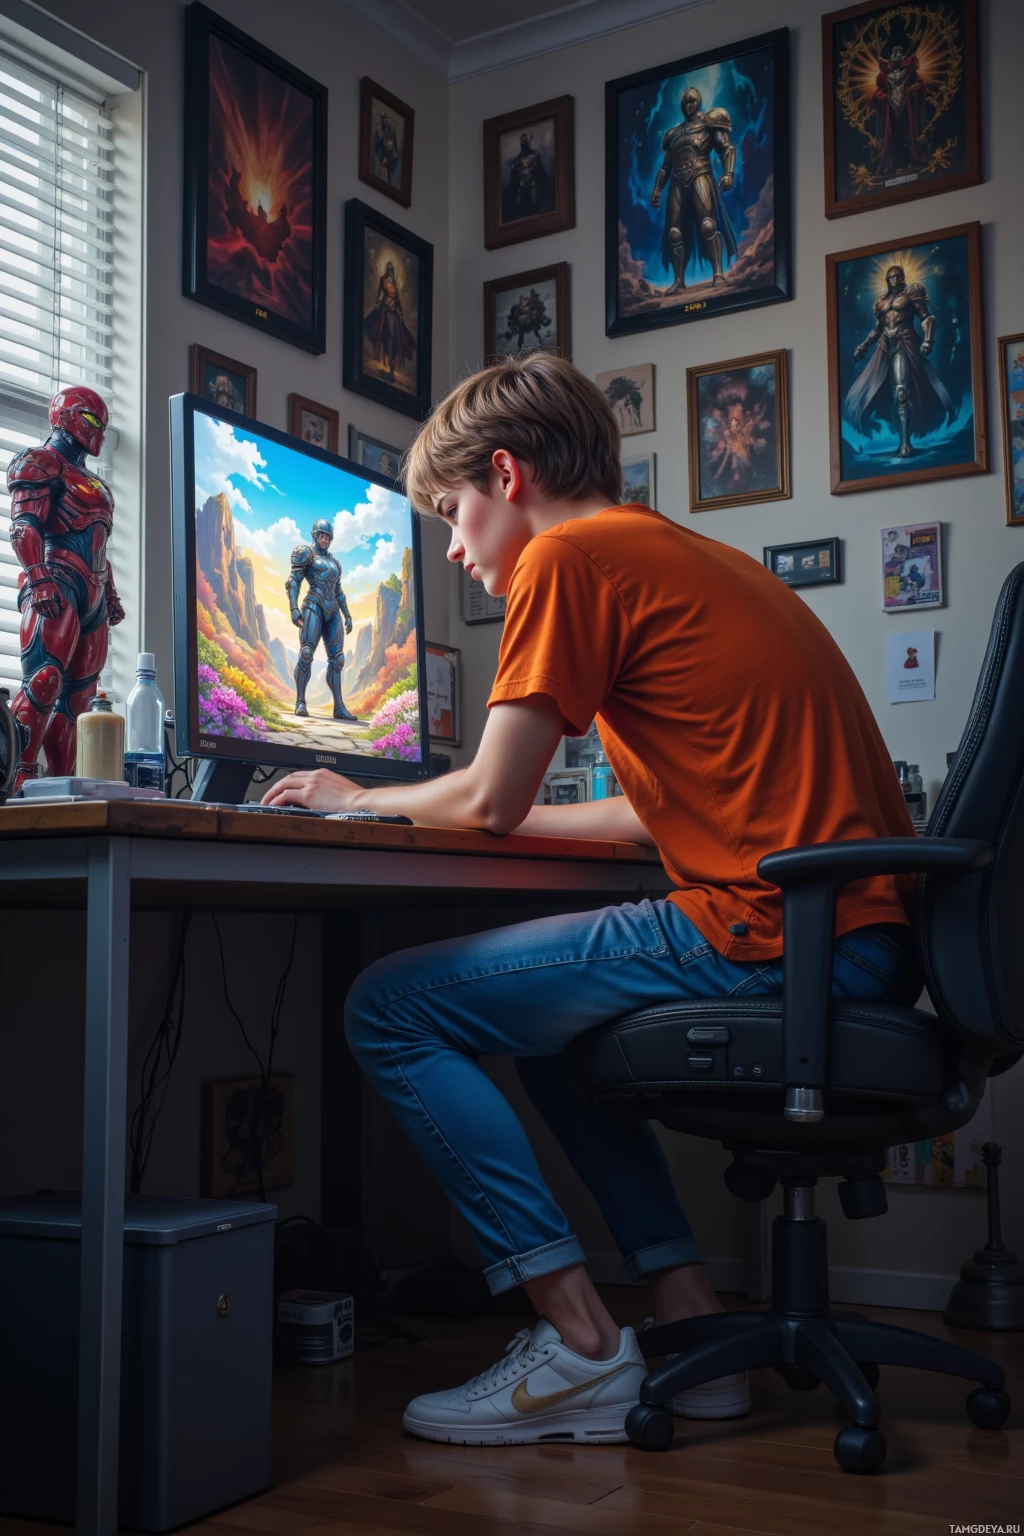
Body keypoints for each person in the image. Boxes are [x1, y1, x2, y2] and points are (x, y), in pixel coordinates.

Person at [262, 353, 921, 1446]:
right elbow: (625, 816)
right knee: (558, 1038)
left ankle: (575, 1343)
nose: (456, 550)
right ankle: (692, 1331)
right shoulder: (679, 554)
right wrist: (466, 807)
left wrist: (359, 797)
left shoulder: (568, 558)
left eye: (456, 514)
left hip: (778, 935)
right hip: (850, 934)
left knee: (389, 1006)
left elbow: (486, 796)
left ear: (507, 475)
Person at [649, 86, 738, 292]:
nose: (688, 106)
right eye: (685, 103)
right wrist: (656, 190)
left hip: (701, 175)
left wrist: (729, 173)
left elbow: (727, 147)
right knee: (674, 233)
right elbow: (665, 167)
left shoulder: (710, 122)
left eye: (691, 101)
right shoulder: (674, 133)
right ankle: (679, 281)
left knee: (708, 225)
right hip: (677, 182)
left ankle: (717, 273)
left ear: (697, 102)